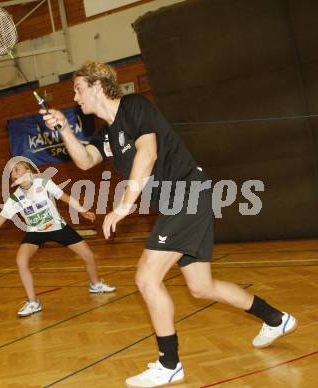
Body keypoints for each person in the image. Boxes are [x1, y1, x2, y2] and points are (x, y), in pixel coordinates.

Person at [41, 61, 297, 387]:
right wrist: (64, 128)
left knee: (147, 278)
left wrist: (122, 207)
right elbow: (85, 160)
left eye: (78, 88)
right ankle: (275, 318)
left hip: (187, 193)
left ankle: (170, 363)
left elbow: (147, 154)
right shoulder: (104, 132)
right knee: (201, 287)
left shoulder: (134, 107)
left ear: (97, 85)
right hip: (176, 203)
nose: (75, 97)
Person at [0, 160, 116, 317]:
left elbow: (65, 197)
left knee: (88, 256)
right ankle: (33, 302)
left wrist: (82, 210)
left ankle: (95, 284)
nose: (13, 173)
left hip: (58, 227)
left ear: (28, 170)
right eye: (11, 172)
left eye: (16, 169)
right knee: (21, 261)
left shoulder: (43, 183)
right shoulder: (15, 199)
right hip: (35, 232)